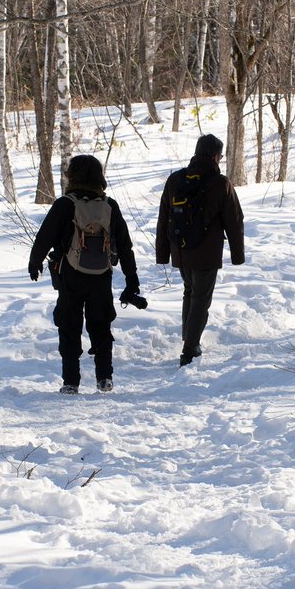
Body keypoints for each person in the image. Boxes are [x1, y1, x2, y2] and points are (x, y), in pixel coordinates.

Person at [28, 154, 142, 394]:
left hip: (70, 275)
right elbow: (125, 245)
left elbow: (45, 236)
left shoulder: (65, 204)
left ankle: (71, 381)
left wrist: (35, 261)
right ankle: (105, 378)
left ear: (72, 176)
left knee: (69, 325)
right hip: (101, 275)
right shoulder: (109, 205)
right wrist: (132, 280)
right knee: (101, 324)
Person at [155, 134, 245, 367]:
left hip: (180, 251)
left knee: (190, 292)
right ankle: (189, 349)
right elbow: (234, 221)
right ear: (215, 156)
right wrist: (237, 255)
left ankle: (189, 338)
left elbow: (163, 217)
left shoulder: (175, 179)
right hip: (206, 252)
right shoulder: (220, 183)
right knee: (200, 299)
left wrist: (163, 253)